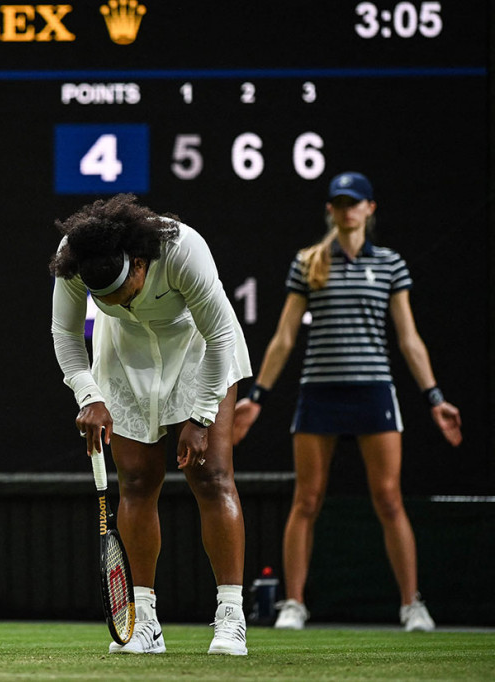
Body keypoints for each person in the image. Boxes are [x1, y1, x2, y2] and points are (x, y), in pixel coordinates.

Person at [232, 171, 462, 632]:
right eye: (339, 202)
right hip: (319, 392)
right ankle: (294, 604)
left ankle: (410, 604)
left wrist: (434, 397)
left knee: (389, 498)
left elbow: (409, 339)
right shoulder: (309, 262)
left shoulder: (392, 264)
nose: (347, 209)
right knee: (307, 499)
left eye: (355, 202)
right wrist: (256, 397)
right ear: (330, 210)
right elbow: (284, 338)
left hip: (374, 391)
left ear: (370, 208)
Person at [49, 193, 253, 656]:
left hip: (199, 348)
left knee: (212, 476)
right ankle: (145, 622)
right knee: (137, 482)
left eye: (124, 293)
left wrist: (201, 416)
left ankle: (231, 615)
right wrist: (90, 396)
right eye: (106, 300)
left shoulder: (183, 249)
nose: (117, 302)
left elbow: (221, 335)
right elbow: (65, 334)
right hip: (123, 356)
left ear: (139, 264)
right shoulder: (74, 258)